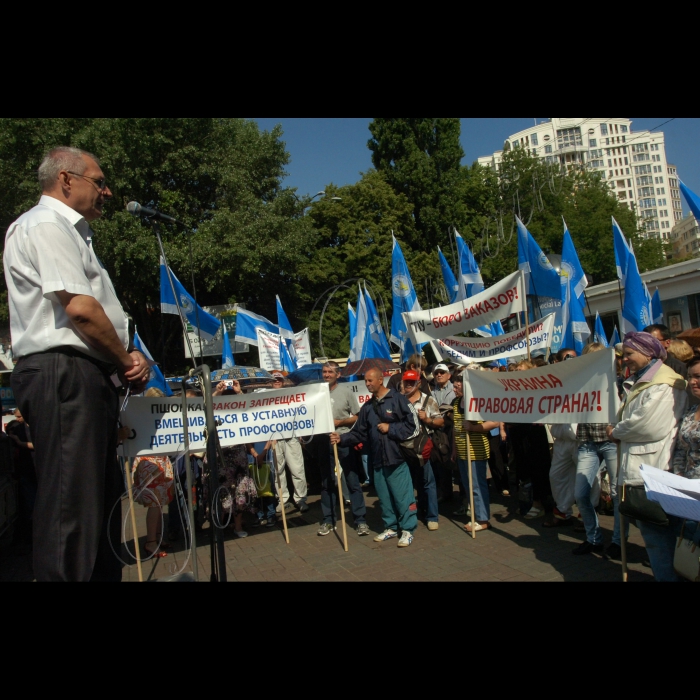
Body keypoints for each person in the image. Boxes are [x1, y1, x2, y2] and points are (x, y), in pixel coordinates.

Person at [4, 147, 150, 582]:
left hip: (82, 373)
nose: (106, 191)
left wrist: (123, 359)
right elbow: (82, 310)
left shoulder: (71, 231)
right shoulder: (47, 224)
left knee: (98, 508)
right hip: (63, 373)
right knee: (72, 509)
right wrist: (126, 360)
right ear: (67, 179)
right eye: (99, 181)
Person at [610, 331, 688, 581]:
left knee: (657, 538)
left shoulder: (665, 383)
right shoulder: (642, 380)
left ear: (647, 353)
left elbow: (647, 425)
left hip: (654, 471)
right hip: (641, 470)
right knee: (654, 535)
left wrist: (616, 430)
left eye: (629, 354)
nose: (625, 359)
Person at [331, 368, 420, 548]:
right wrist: (341, 439)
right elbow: (358, 432)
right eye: (366, 381)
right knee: (384, 497)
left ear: (381, 380)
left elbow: (414, 426)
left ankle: (408, 529)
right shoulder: (368, 407)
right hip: (378, 460)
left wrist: (391, 428)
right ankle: (391, 527)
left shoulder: (398, 399)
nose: (368, 384)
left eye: (370, 381)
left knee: (402, 496)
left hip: (397, 459)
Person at [572, 343, 621, 557]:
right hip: (588, 442)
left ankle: (619, 542)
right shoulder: (579, 382)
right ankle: (593, 538)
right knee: (580, 493)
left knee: (618, 494)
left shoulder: (616, 382)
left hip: (611, 441)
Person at [317, 362, 369, 537]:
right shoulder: (316, 394)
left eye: (330, 372)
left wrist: (340, 423)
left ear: (338, 375)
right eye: (324, 372)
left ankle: (360, 520)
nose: (327, 375)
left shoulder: (346, 392)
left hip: (343, 440)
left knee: (352, 480)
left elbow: (356, 416)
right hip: (324, 442)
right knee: (327, 482)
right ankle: (328, 520)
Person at [130, 388, 175, 558]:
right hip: (149, 463)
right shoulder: (142, 417)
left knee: (159, 502)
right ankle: (150, 541)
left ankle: (156, 537)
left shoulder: (157, 416)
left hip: (159, 460)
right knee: (155, 503)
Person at [451, 372, 498, 532]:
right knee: (468, 485)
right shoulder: (456, 403)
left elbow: (494, 422)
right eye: (454, 386)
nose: (454, 389)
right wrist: (454, 448)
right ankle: (475, 514)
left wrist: (474, 428)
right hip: (462, 451)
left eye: (457, 386)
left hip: (476, 451)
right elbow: (455, 428)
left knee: (478, 485)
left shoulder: (478, 402)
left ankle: (483, 519)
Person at [210, 380, 258, 538]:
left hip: (238, 454)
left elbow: (250, 410)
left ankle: (237, 525)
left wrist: (239, 392)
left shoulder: (239, 407)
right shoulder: (215, 408)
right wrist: (217, 392)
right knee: (221, 491)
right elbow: (205, 409)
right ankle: (219, 527)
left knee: (240, 491)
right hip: (220, 455)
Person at [507, 360, 554, 519]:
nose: (517, 372)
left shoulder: (537, 388)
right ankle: (526, 502)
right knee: (523, 470)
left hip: (534, 434)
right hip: (518, 434)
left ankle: (539, 503)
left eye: (521, 370)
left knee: (537, 469)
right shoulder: (512, 389)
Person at [402, 369, 442, 531]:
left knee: (427, 481)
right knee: (409, 482)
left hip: (422, 446)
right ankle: (414, 512)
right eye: (406, 382)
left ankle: (432, 516)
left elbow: (440, 421)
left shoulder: (428, 400)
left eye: (412, 382)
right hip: (403, 447)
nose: (408, 385)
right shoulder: (399, 400)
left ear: (419, 383)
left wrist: (427, 419)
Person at [268, 372, 309, 514]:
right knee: (278, 471)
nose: (277, 382)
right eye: (274, 380)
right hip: (275, 438)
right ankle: (282, 499)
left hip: (292, 436)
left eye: (279, 380)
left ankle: (301, 499)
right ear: (270, 382)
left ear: (283, 381)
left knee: (297, 468)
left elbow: (300, 414)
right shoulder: (264, 397)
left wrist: (300, 433)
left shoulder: (291, 395)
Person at [430, 363, 456, 501]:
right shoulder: (432, 391)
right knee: (440, 463)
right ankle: (446, 493)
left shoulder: (454, 389)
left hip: (451, 429)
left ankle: (464, 498)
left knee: (454, 462)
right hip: (438, 430)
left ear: (448, 375)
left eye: (442, 372)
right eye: (436, 373)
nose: (439, 375)